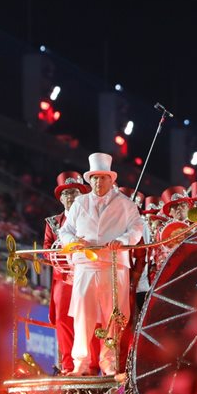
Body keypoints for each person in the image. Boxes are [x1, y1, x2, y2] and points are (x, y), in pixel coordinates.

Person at [56, 153, 144, 375]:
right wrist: (73, 242)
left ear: (111, 179)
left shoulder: (125, 204)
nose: (98, 182)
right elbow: (65, 230)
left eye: (102, 178)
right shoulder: (80, 202)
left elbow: (136, 228)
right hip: (86, 263)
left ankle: (109, 361)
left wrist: (123, 241)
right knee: (82, 314)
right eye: (94, 178)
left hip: (114, 264)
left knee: (114, 314)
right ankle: (80, 363)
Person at [44, 171, 93, 375]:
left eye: (74, 192)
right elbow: (46, 249)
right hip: (63, 278)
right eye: (66, 193)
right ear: (61, 198)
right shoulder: (53, 222)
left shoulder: (90, 218)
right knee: (64, 320)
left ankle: (91, 365)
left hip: (87, 274)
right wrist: (60, 255)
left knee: (89, 318)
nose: (70, 197)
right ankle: (68, 365)